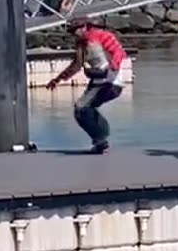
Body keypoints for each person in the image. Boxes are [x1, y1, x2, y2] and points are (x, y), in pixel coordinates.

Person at [46, 18, 126, 154]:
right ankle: (101, 135)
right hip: (96, 82)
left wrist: (114, 65)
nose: (74, 33)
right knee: (83, 110)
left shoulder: (103, 36)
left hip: (111, 82)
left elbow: (118, 52)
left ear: (84, 27)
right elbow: (76, 65)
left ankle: (100, 138)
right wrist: (57, 80)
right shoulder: (81, 45)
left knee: (81, 107)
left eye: (75, 30)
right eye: (71, 31)